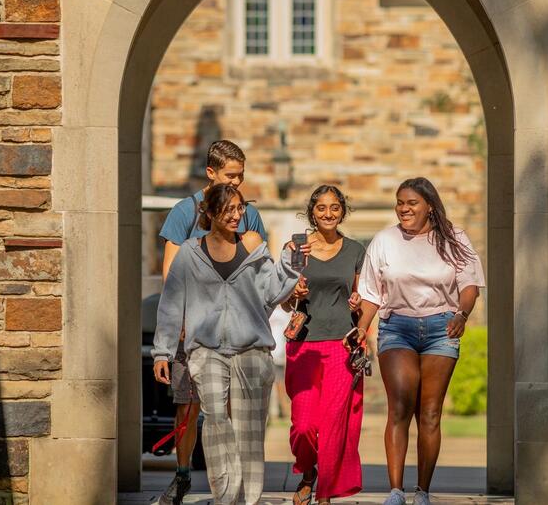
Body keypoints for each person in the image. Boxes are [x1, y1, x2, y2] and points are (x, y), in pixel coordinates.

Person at [152, 183, 302, 505]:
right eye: (230, 209)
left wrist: (290, 263)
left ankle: (247, 500)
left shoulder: (254, 250)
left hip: (251, 349)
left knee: (249, 431)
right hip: (205, 349)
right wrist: (162, 351)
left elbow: (272, 294)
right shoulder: (190, 253)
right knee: (216, 420)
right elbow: (171, 303)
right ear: (211, 213)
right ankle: (226, 496)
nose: (238, 215)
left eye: (240, 208)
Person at [349, 177, 484, 505]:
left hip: (442, 329)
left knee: (430, 413)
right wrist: (362, 328)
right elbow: (370, 293)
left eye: (411, 203)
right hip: (397, 329)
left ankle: (422, 491)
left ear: (430, 207)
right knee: (400, 406)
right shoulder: (383, 241)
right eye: (400, 202)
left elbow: (469, 285)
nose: (404, 208)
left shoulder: (453, 239)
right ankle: (396, 491)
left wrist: (462, 315)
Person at [156, 140, 267, 504]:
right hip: (194, 331)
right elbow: (171, 273)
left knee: (235, 409)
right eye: (230, 175)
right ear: (211, 173)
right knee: (187, 405)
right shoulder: (183, 212)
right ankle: (183, 474)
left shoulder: (247, 214)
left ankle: (231, 484)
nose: (237, 183)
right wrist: (175, 335)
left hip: (236, 335)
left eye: (241, 176)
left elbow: (259, 273)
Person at [283, 185, 366, 504]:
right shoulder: (298, 246)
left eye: (334, 207)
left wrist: (358, 302)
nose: (328, 213)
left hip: (341, 347)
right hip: (304, 345)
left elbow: (362, 299)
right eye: (321, 208)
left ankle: (325, 493)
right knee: (303, 425)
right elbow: (284, 303)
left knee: (333, 424)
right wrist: (294, 295)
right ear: (311, 211)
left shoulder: (356, 250)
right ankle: (307, 471)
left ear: (342, 211)